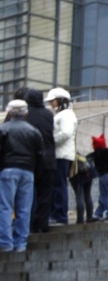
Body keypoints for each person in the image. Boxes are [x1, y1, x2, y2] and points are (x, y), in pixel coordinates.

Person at [0, 99, 43, 252]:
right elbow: (39, 155)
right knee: (24, 208)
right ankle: (21, 243)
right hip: (28, 171)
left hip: (7, 169)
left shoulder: (3, 129)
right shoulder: (33, 131)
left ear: (9, 112)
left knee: (5, 206)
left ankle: (5, 242)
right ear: (26, 113)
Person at [15, 88, 56, 234]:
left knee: (30, 195)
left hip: (32, 160)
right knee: (46, 194)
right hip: (49, 159)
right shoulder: (48, 115)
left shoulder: (27, 115)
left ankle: (31, 225)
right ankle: (43, 225)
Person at [46, 87, 76, 226]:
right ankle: (57, 214)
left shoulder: (66, 115)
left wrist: (50, 139)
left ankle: (60, 215)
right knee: (57, 185)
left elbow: (66, 133)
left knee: (59, 185)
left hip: (62, 154)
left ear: (60, 100)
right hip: (60, 154)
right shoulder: (63, 114)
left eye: (53, 101)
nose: (51, 104)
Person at [89, 134, 108, 221]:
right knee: (103, 196)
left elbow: (89, 159)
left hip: (103, 177)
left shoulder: (97, 154)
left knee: (104, 196)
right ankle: (98, 213)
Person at [69, 150, 96, 223]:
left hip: (77, 173)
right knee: (87, 195)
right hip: (88, 170)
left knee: (79, 196)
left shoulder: (72, 147)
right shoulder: (85, 143)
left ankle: (80, 218)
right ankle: (89, 217)